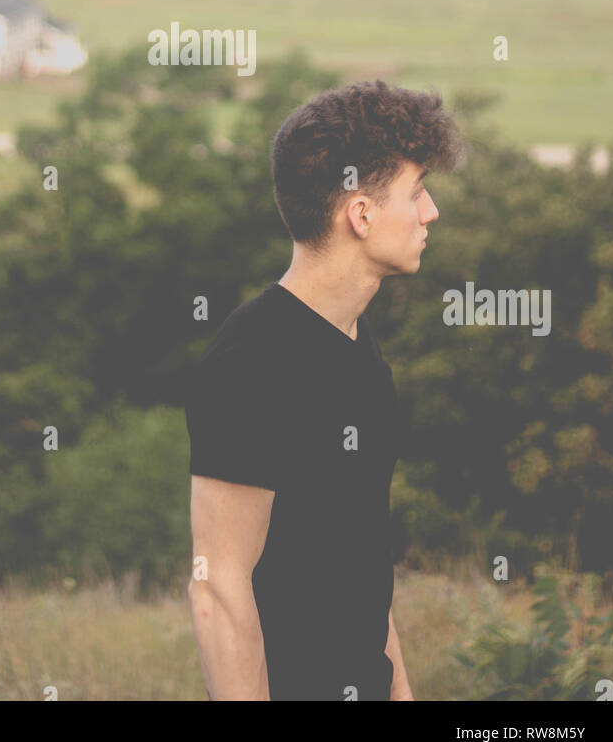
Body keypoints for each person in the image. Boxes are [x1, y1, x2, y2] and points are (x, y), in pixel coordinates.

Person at [185, 78, 465, 701]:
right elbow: (217, 587)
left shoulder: (360, 350)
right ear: (361, 215)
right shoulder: (252, 362)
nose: (430, 212)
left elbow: (360, 567)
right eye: (416, 193)